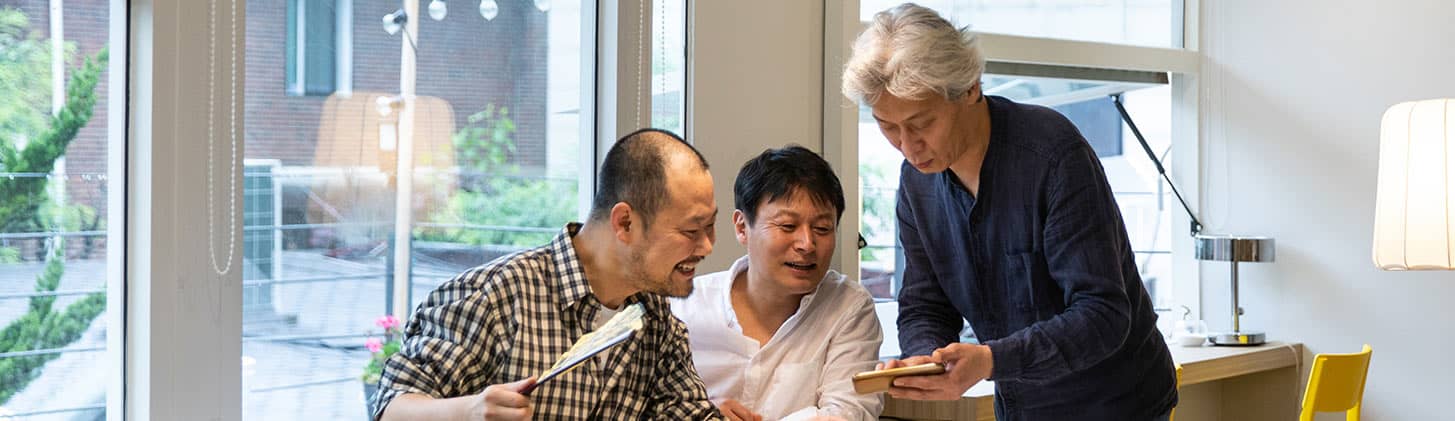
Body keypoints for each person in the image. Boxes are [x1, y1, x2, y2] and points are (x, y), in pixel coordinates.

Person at [841, 3, 1178, 420]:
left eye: (921, 123)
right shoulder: (916, 183)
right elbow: (925, 304)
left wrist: (990, 360)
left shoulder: (1054, 155)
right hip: (1022, 407)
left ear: (969, 88)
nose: (908, 147)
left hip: (1117, 404)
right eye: (887, 126)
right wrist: (925, 359)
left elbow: (1103, 315)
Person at [367, 129, 726, 421]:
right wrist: (468, 411)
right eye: (692, 231)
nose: (707, 246)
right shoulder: (497, 295)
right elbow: (391, 408)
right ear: (625, 223)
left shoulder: (655, 319)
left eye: (711, 226)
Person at [671, 146, 884, 421]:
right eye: (787, 226)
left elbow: (850, 413)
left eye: (822, 229)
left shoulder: (848, 307)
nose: (807, 244)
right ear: (741, 227)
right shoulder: (683, 308)